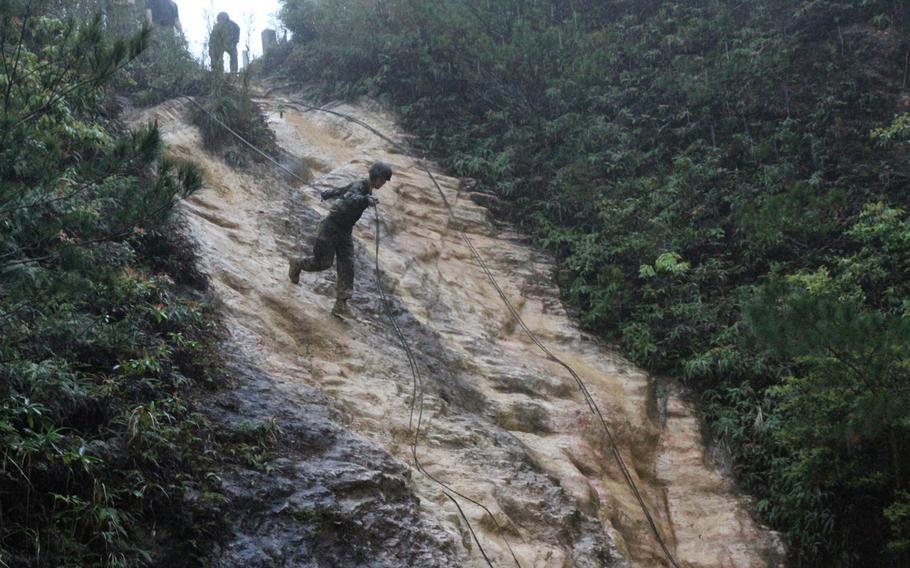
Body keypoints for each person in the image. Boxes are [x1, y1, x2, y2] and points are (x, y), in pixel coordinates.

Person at [288, 162, 394, 319]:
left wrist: (327, 193)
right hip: (330, 228)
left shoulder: (366, 189)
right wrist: (366, 200)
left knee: (347, 266)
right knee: (323, 263)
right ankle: (297, 263)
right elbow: (351, 196)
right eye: (383, 180)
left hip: (345, 232)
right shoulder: (360, 186)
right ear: (377, 177)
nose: (384, 184)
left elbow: (342, 191)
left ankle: (341, 305)